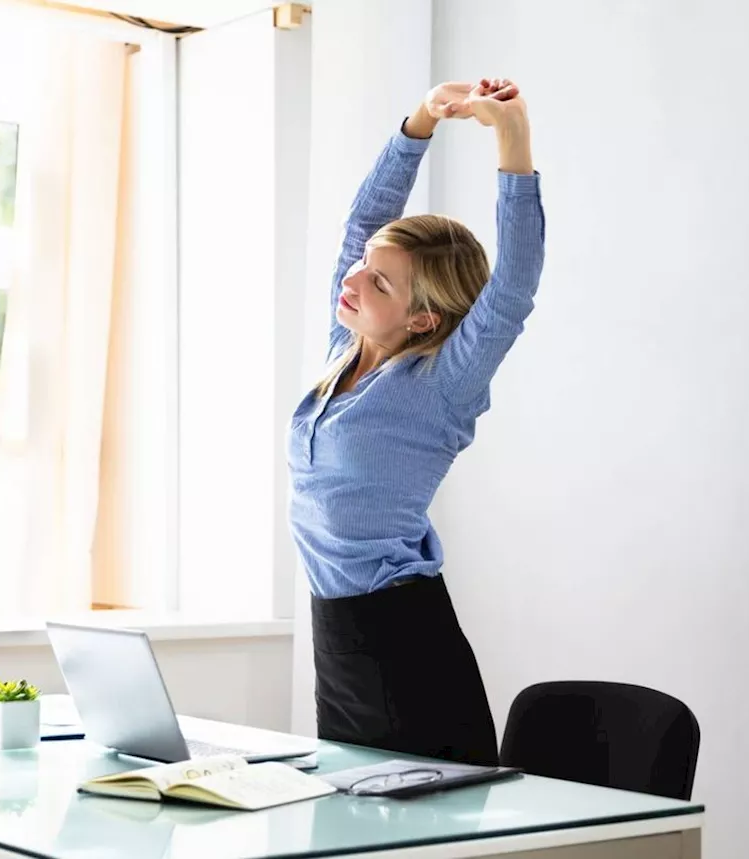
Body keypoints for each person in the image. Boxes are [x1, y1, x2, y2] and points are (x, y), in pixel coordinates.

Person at [287, 78, 545, 766]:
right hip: (335, 633)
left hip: (403, 641)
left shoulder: (441, 385)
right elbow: (363, 220)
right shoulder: (345, 349)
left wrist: (510, 135)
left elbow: (513, 286)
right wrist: (421, 120)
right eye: (364, 267)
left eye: (379, 282)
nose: (353, 279)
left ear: (422, 317)